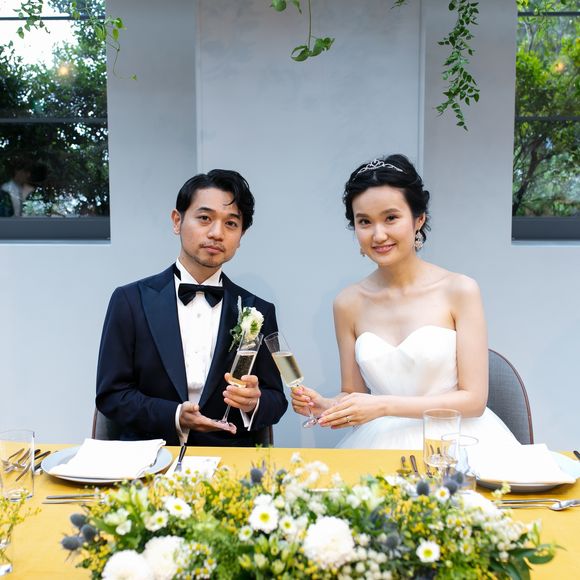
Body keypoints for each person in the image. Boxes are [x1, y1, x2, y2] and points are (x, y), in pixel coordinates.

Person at [291, 154, 518, 449]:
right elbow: (353, 393)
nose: (378, 235)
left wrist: (383, 406)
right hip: (378, 442)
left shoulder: (459, 290)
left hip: (456, 439)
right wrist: (329, 405)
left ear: (418, 219)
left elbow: (474, 401)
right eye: (364, 222)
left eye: (391, 218)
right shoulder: (347, 303)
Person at [96, 169, 288, 446]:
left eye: (231, 223)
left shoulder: (257, 310)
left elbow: (276, 400)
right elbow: (111, 396)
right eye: (205, 218)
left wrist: (253, 402)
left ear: (241, 235)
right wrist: (175, 415)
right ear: (177, 221)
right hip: (151, 456)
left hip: (229, 457)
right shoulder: (129, 300)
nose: (216, 233)